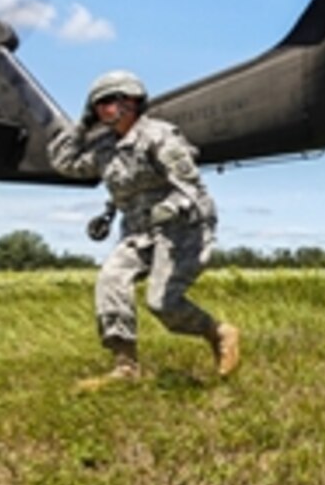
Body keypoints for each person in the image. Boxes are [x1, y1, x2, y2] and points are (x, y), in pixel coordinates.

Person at [47, 70, 239, 389]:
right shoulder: (106, 147)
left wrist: (170, 208)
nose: (101, 109)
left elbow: (193, 188)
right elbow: (64, 162)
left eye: (109, 101)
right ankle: (125, 368)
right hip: (139, 232)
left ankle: (219, 333)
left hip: (183, 227)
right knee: (110, 280)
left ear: (131, 102)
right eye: (96, 105)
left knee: (163, 303)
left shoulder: (160, 137)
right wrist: (80, 126)